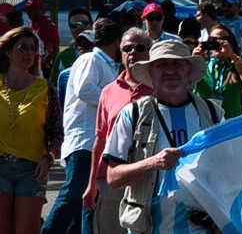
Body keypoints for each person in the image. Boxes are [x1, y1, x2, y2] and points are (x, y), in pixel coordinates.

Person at [104, 40, 223, 234]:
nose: (170, 71)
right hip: (148, 228)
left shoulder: (213, 114)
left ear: (189, 70)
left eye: (177, 63)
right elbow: (113, 178)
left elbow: (230, 169)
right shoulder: (131, 115)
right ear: (151, 72)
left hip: (201, 228)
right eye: (162, 64)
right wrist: (154, 162)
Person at [45, 18, 122, 234]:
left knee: (89, 197)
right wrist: (116, 100)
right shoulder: (91, 60)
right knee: (74, 192)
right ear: (117, 41)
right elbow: (85, 90)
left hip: (95, 142)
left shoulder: (106, 64)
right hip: (84, 140)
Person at [82, 28, 153, 234]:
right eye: (127, 48)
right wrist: (92, 184)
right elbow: (100, 140)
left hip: (147, 177)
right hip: (111, 180)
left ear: (149, 52)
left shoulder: (158, 89)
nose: (133, 52)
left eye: (140, 48)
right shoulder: (108, 91)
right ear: (120, 53)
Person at [0, 27, 62, 234]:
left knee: (27, 229)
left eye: (33, 49)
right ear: (8, 52)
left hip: (32, 169)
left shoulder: (45, 88)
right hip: (0, 165)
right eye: (22, 48)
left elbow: (56, 132)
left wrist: (48, 158)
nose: (28, 53)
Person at [195, 24, 242, 118]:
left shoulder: (235, 66)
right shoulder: (202, 66)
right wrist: (194, 60)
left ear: (232, 43)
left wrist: (232, 56)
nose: (219, 42)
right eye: (214, 40)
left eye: (224, 39)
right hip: (205, 122)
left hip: (231, 124)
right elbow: (185, 85)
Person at [49, 8, 93, 84]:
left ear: (91, 25)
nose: (79, 28)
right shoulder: (63, 56)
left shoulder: (103, 51)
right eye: (74, 25)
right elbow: (54, 84)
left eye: (83, 23)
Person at [21, 0, 59, 77]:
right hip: (32, 65)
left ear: (37, 10)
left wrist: (54, 67)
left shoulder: (49, 26)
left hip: (45, 67)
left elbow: (55, 47)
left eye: (29, 11)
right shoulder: (31, 26)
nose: (27, 14)